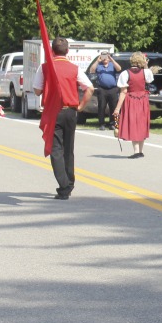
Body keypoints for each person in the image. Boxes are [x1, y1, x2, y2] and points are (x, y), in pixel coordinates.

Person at [33, 37, 94, 200]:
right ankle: (69, 181)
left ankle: (64, 185)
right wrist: (80, 107)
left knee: (56, 149)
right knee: (68, 148)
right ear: (67, 51)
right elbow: (90, 88)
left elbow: (37, 91)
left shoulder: (45, 67)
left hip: (54, 111)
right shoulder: (74, 68)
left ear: (52, 50)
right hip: (70, 111)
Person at [113, 52, 154, 158]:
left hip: (131, 100)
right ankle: (140, 150)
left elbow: (123, 92)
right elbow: (149, 80)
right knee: (141, 123)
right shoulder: (146, 72)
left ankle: (136, 151)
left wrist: (117, 108)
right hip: (143, 100)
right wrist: (145, 65)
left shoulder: (125, 73)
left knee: (133, 123)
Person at [88, 51, 121, 131]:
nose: (105, 58)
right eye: (103, 56)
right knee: (101, 107)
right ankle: (101, 124)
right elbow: (91, 70)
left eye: (106, 56)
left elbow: (119, 68)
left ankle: (113, 124)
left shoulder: (112, 65)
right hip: (102, 89)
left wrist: (111, 60)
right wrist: (97, 61)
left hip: (113, 88)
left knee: (114, 107)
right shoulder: (99, 65)